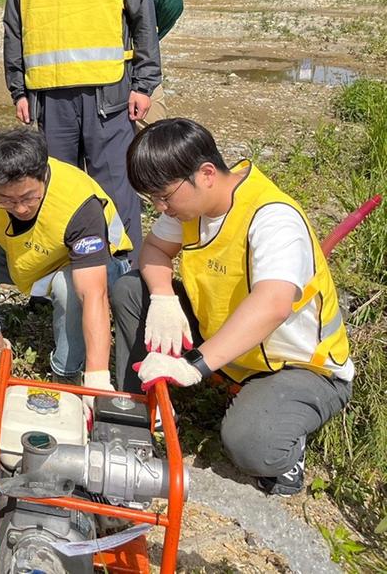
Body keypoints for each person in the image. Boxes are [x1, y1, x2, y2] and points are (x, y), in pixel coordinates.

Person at [113, 118, 354, 496]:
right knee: (131, 290)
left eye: (164, 197)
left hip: (296, 367)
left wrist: (194, 364)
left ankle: (286, 445)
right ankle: (138, 411)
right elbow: (155, 250)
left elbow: (273, 304)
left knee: (251, 444)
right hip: (231, 352)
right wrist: (162, 297)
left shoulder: (272, 218)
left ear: (206, 173)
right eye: (152, 200)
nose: (161, 208)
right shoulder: (192, 207)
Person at [3, 0, 160, 259]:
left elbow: (143, 19)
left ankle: (127, 276)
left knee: (115, 187)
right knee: (55, 190)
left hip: (109, 96)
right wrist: (18, 89)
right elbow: (14, 29)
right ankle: (58, 274)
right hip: (50, 101)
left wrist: (144, 82)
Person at [0, 128, 131, 385]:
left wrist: (98, 377)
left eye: (29, 197)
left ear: (43, 175)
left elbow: (93, 294)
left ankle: (67, 372)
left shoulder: (79, 204)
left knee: (68, 287)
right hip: (28, 253)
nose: (21, 208)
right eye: (6, 200)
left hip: (98, 264)